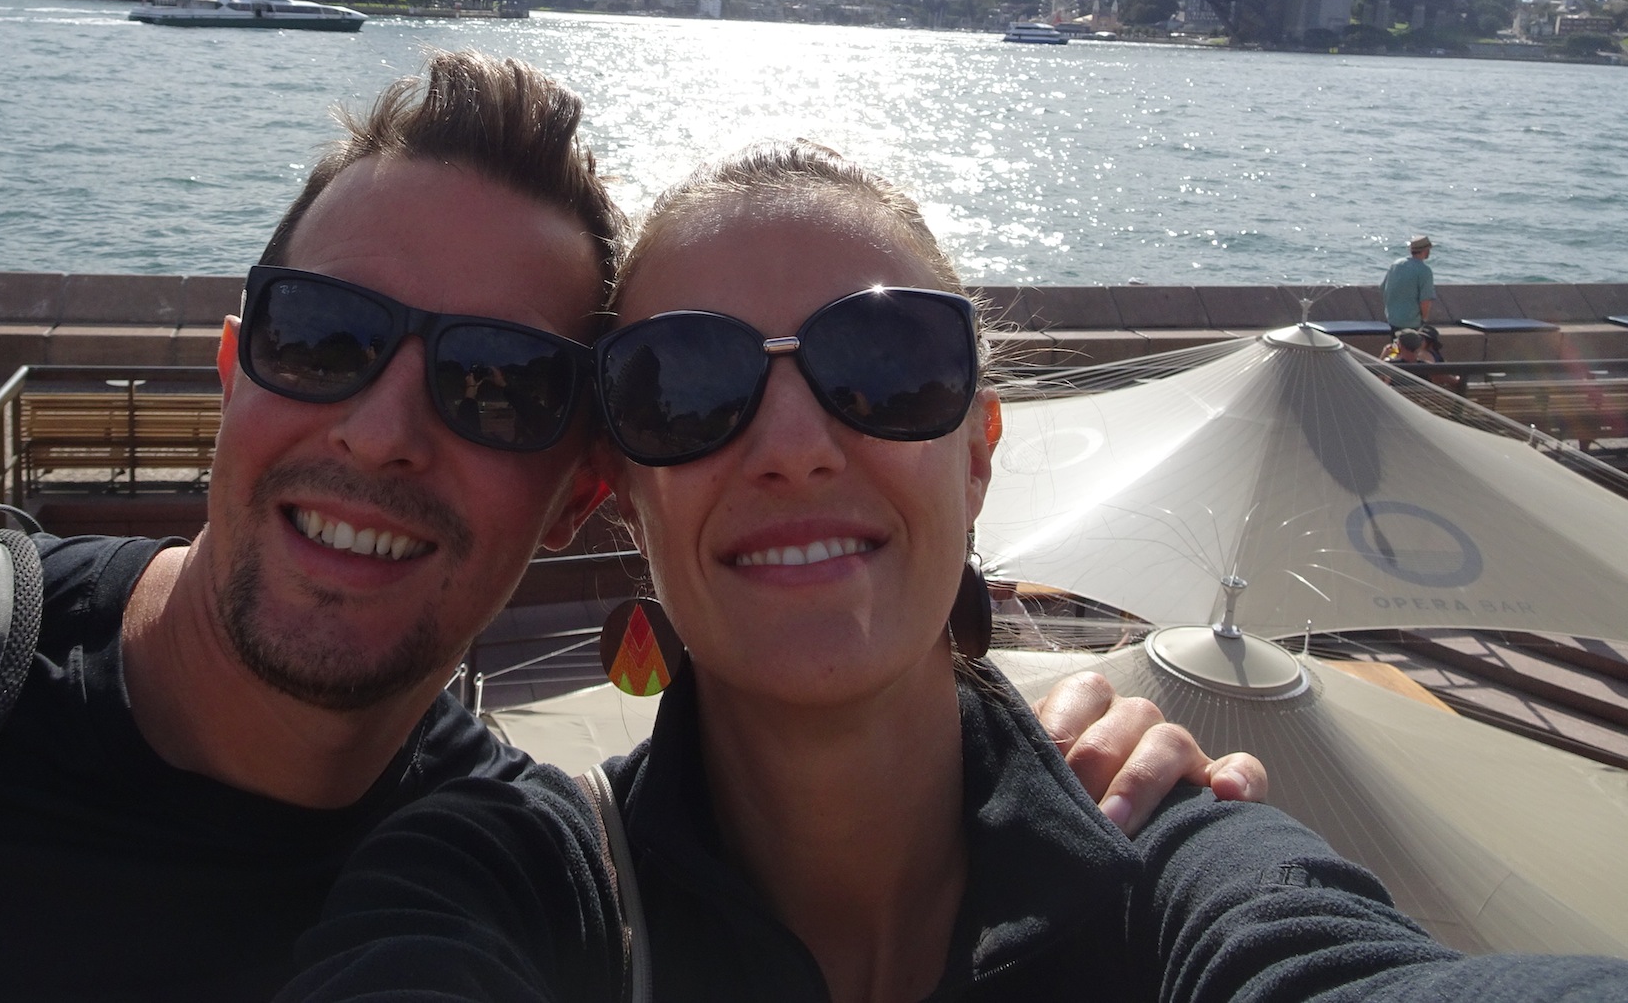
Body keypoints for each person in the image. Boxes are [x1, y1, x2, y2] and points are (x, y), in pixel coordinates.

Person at [0, 56, 1258, 1001]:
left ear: (579, 490)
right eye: (326, 339)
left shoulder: (515, 879)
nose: (382, 428)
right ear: (236, 368)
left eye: (497, 385)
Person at [282, 142, 1628, 1003]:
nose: (795, 447)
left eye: (886, 367)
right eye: (683, 383)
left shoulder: (1177, 860)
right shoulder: (506, 881)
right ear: (622, 486)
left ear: (978, 453)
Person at [1382, 233, 1443, 360]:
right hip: (1412, 322)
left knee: (1396, 349)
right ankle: (1409, 370)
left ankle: (1391, 365)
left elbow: (1383, 288)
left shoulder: (1396, 264)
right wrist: (1424, 319)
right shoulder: (1424, 271)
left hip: (1393, 318)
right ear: (1426, 251)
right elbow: (1425, 300)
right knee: (1412, 354)